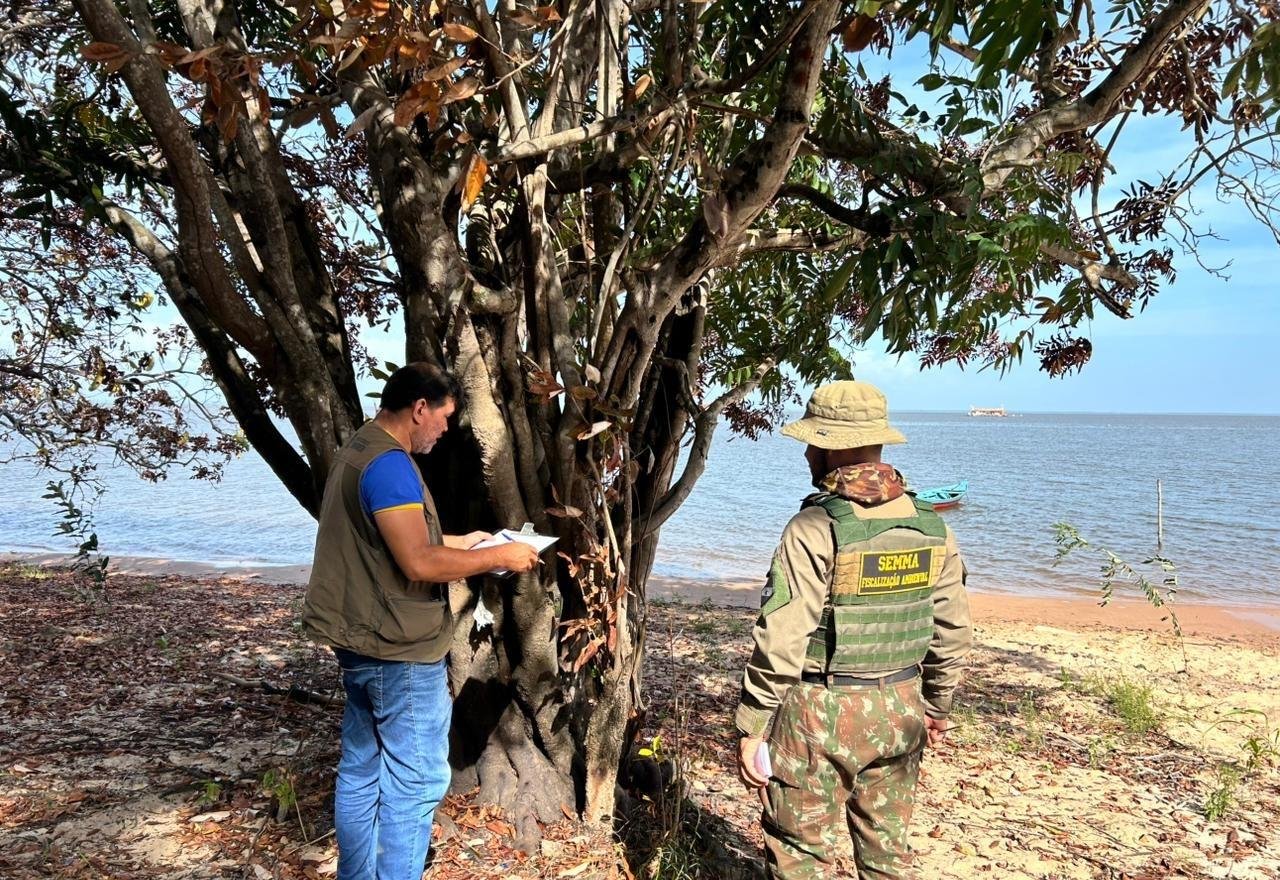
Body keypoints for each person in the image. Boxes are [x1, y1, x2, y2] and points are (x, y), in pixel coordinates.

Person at [302, 362, 539, 880]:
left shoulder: (362, 448)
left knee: (364, 771)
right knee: (417, 780)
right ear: (420, 409)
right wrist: (501, 559)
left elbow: (398, 541)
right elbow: (417, 563)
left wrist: (467, 541)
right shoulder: (390, 467)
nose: (445, 430)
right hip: (398, 651)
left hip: (362, 641)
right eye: (444, 418)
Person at [734, 380, 972, 880]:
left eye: (811, 443)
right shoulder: (933, 527)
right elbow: (950, 630)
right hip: (901, 704)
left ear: (826, 448)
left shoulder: (814, 527)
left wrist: (753, 722)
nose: (805, 453)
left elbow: (783, 636)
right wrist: (936, 706)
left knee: (799, 853)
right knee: (888, 855)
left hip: (817, 712)